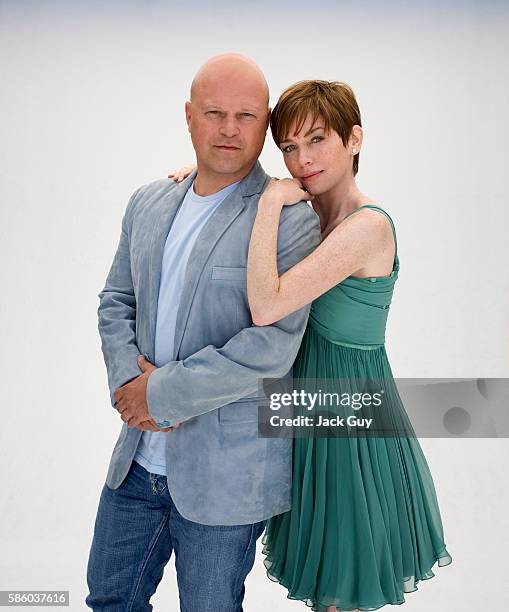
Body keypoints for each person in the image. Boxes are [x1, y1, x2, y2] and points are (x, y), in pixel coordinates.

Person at [170, 80, 452, 611]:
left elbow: (266, 305)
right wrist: (213, 178)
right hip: (304, 410)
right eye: (290, 148)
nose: (302, 160)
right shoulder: (312, 210)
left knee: (341, 589)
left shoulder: (366, 226)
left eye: (317, 140)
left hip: (350, 421)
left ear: (355, 140)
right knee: (323, 580)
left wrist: (270, 200)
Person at [85, 54, 321, 612]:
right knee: (110, 599)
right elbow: (116, 300)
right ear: (188, 116)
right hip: (137, 463)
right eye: (215, 113)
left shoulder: (289, 219)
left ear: (266, 124)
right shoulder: (148, 201)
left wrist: (160, 394)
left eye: (246, 115)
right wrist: (128, 385)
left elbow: (271, 347)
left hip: (228, 475)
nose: (230, 129)